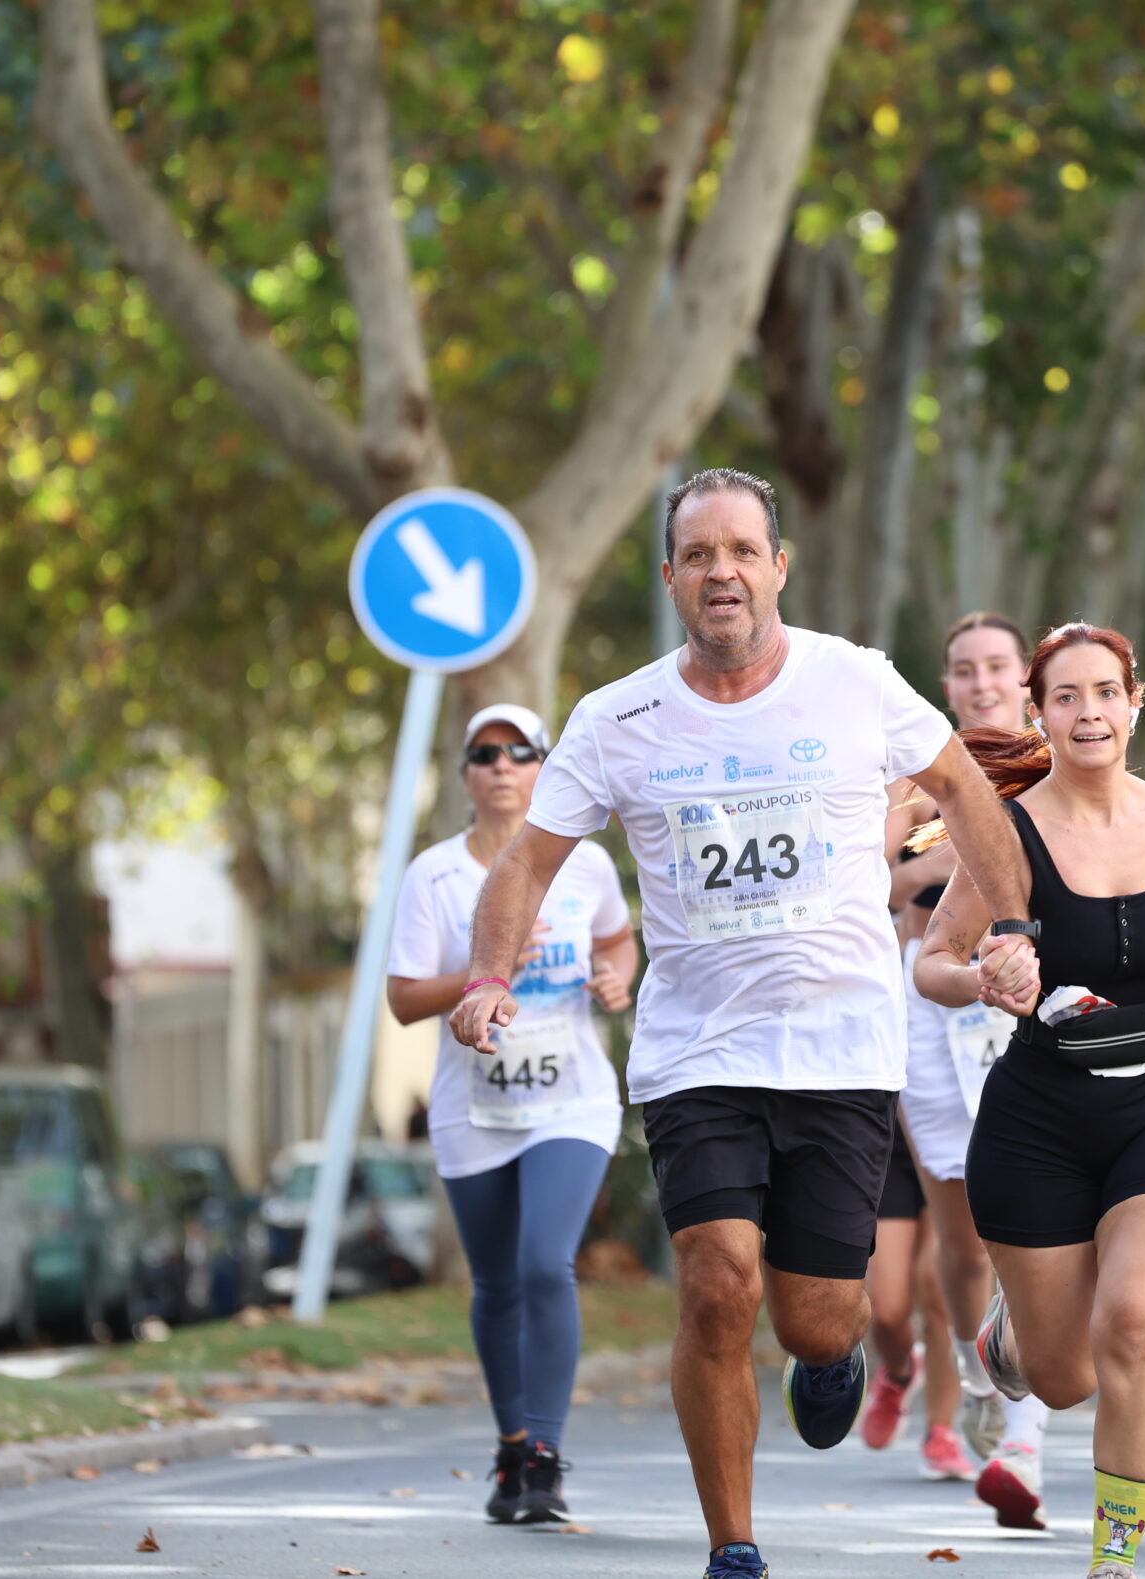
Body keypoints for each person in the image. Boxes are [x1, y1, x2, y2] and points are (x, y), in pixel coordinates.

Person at [449, 469, 1038, 1579]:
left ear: (778, 568)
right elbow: (528, 861)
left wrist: (1009, 926)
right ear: (671, 577)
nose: (721, 571)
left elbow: (966, 791)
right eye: (698, 554)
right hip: (697, 1051)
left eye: (741, 551)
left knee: (818, 1319)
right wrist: (487, 976)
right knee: (718, 1286)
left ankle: (831, 1355)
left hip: (840, 1049)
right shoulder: (615, 718)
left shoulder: (854, 681)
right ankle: (733, 1546)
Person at [913, 622, 1145, 1579]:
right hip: (1037, 1121)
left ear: (1134, 704)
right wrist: (982, 978)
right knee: (1062, 1378)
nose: (1088, 712)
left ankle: (1114, 1557)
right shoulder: (1006, 831)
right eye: (1066, 696)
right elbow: (933, 961)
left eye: (1105, 693)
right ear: (1039, 712)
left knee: (1132, 1326)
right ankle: (1010, 1335)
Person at [386, 703, 638, 1525]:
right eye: (484, 752)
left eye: (520, 751)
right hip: (476, 1105)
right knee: (495, 1283)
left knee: (542, 1264)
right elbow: (401, 998)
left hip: (572, 1099)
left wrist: (617, 976)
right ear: (464, 773)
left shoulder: (585, 864)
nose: (501, 764)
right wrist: (477, 970)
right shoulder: (433, 875)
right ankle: (511, 1445)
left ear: (545, 767)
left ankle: (545, 1456)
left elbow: (618, 940)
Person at [886, 611, 1053, 1527]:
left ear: (1026, 679)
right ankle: (973, 1362)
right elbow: (874, 873)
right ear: (945, 684)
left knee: (1033, 1220)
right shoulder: (918, 769)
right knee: (960, 1240)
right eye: (964, 669)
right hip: (933, 1005)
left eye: (997, 666)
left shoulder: (1062, 761)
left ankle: (1025, 1438)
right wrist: (950, 853)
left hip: (1035, 998)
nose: (982, 682)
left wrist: (941, 858)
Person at [859, 1134, 973, 1481]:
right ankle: (899, 1373)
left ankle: (941, 1432)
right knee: (886, 1311)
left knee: (940, 1291)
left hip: (952, 1139)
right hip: (890, 1142)